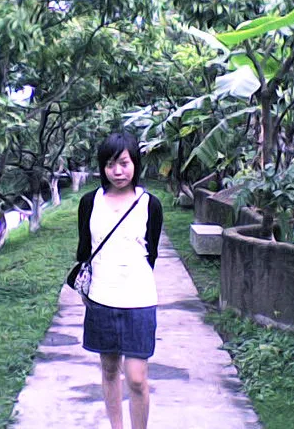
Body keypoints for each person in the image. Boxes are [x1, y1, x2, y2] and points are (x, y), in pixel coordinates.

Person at [75, 132, 163, 429]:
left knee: (136, 378)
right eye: (110, 164)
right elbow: (84, 249)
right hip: (101, 299)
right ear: (102, 167)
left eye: (124, 163)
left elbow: (151, 253)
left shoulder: (150, 204)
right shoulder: (90, 202)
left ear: (135, 163)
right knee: (110, 370)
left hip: (139, 300)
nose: (118, 171)